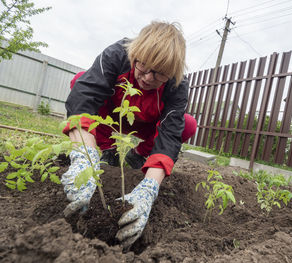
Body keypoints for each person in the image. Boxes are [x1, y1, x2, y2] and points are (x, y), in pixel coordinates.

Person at [60, 21, 197, 250]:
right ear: (135, 53)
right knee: (80, 80)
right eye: (142, 67)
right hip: (111, 118)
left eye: (159, 74)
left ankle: (138, 156)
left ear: (171, 74)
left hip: (145, 128)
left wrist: (148, 190)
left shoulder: (177, 84)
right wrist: (84, 156)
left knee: (187, 124)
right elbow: (84, 96)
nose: (147, 78)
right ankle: (104, 151)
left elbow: (171, 132)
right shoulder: (117, 54)